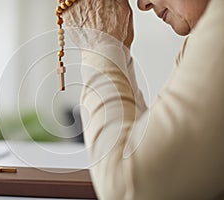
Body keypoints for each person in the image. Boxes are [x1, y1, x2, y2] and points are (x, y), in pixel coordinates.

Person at [63, 0, 224, 199]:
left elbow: (127, 190)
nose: (143, 4)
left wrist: (99, 46)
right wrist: (116, 49)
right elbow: (144, 150)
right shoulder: (197, 41)